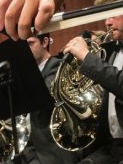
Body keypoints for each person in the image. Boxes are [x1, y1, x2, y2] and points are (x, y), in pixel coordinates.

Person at [62, 0, 123, 164]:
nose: (107, 22)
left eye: (113, 15)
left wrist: (86, 56)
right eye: (105, 17)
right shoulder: (112, 51)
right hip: (112, 143)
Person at [18, 34, 79, 164]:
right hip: (34, 152)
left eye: (30, 44)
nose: (25, 50)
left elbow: (45, 97)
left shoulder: (58, 66)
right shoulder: (26, 75)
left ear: (44, 42)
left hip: (57, 153)